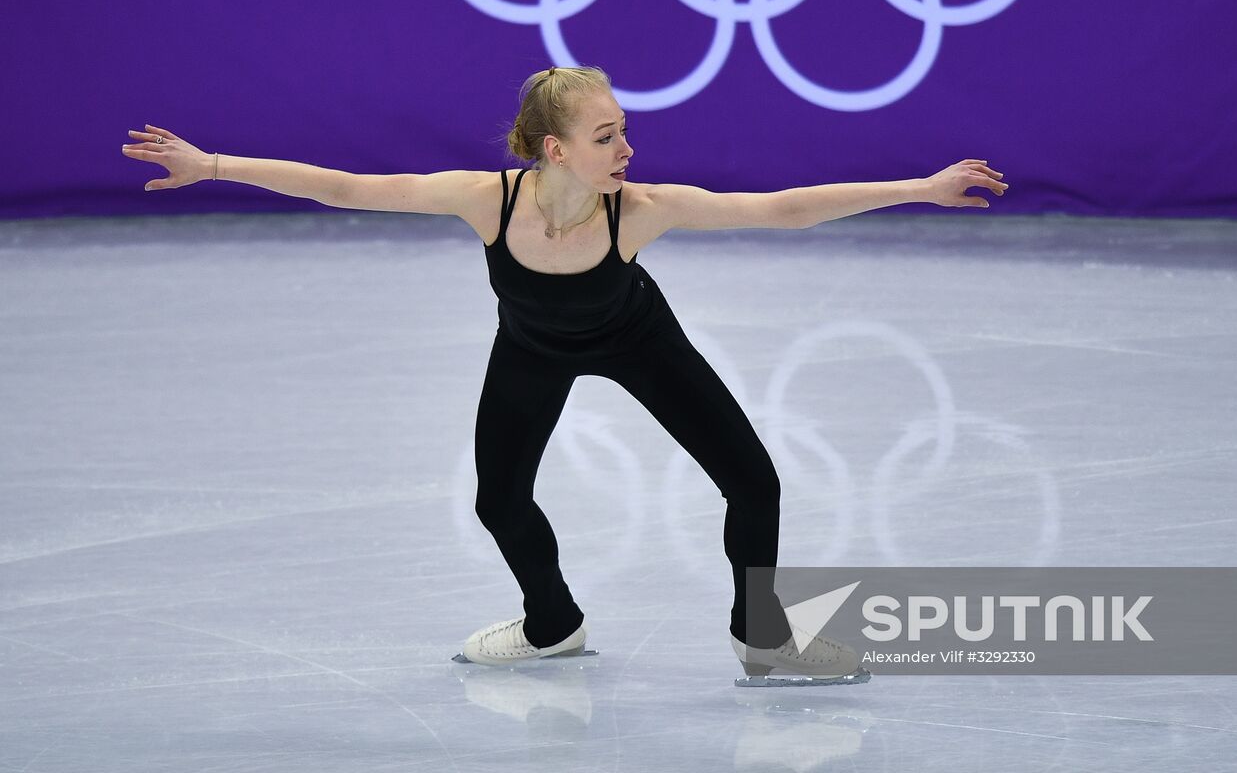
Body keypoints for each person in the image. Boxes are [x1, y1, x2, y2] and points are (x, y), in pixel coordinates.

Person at [121, 64, 1007, 684]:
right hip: (532, 347)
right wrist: (211, 166)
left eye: (624, 131)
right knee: (498, 502)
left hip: (637, 338)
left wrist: (918, 187)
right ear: (553, 150)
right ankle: (554, 624)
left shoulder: (641, 210)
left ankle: (762, 636)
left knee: (754, 482)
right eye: (606, 136)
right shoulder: (486, 199)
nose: (627, 148)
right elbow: (346, 187)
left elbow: (782, 210)